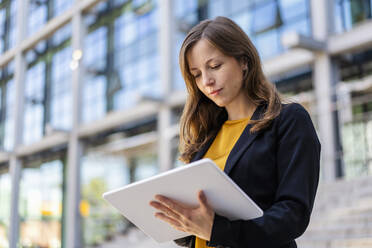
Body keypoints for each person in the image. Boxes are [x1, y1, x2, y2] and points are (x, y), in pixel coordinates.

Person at [149, 16, 320, 248]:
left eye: (215, 66)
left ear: (244, 61)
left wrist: (216, 229)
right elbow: (194, 231)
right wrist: (175, 218)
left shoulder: (289, 120)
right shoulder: (205, 137)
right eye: (197, 74)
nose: (207, 81)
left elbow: (293, 215)